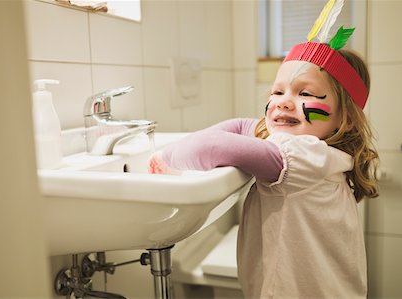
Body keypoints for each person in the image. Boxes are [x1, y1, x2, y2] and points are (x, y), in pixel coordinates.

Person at [148, 3, 379, 297]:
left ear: (343, 118)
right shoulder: (323, 154)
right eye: (277, 92)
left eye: (305, 93)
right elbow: (242, 126)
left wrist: (163, 159)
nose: (283, 102)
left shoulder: (303, 156)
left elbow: (212, 145)